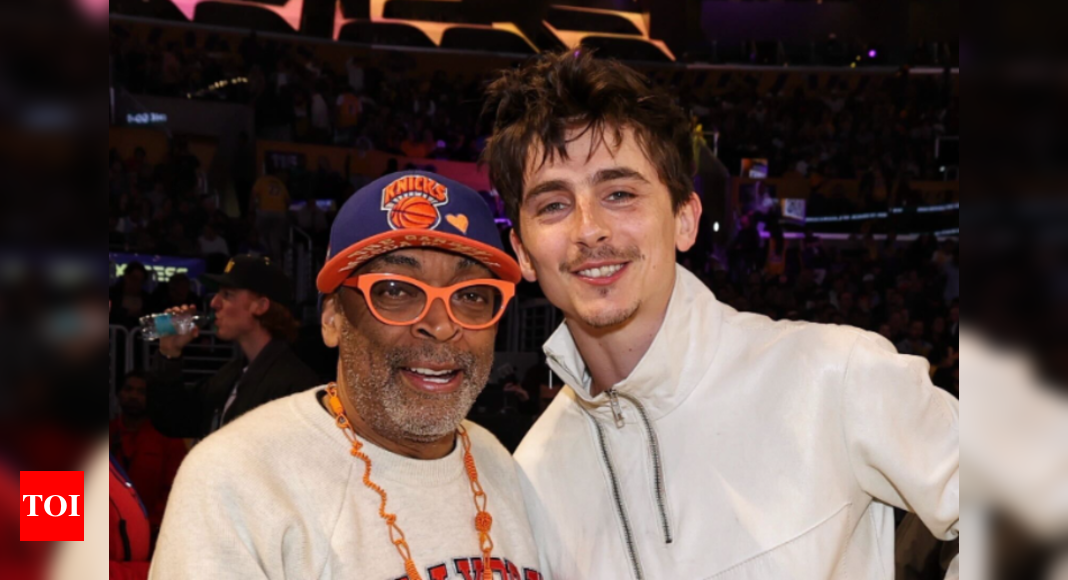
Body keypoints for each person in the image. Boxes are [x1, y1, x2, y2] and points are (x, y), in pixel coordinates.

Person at [482, 51, 959, 579]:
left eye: (619, 193)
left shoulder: (834, 374)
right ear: (523, 253)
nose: (589, 229)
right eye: (553, 205)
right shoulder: (532, 478)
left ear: (684, 219)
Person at [151, 171, 543, 579]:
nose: (441, 325)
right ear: (333, 319)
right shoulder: (238, 477)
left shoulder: (500, 461)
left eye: (471, 295)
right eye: (395, 290)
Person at [147, 255, 319, 439]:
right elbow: (173, 422)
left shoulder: (296, 386)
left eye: (227, 294)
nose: (214, 303)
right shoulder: (230, 375)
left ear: (260, 306)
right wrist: (169, 354)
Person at [110, 371, 188, 531]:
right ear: (118, 394)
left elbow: (177, 488)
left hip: (153, 529)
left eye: (142, 392)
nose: (133, 396)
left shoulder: (169, 439)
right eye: (128, 389)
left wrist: (151, 524)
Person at [249, 172, 291, 262]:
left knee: (260, 235)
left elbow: (253, 195)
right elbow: (288, 200)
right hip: (280, 213)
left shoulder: (261, 181)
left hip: (265, 212)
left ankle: (264, 259)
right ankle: (277, 263)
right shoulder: (279, 183)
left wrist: (250, 211)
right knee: (275, 238)